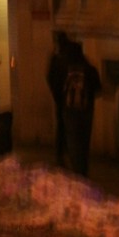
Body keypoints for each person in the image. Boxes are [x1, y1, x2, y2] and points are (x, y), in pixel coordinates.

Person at [60, 41, 102, 177]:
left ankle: (77, 170)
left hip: (70, 112)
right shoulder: (89, 68)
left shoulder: (65, 68)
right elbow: (98, 88)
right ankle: (83, 171)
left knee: (73, 142)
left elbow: (57, 86)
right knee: (84, 142)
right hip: (86, 111)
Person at [45, 31, 73, 168]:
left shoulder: (57, 58)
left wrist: (55, 92)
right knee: (65, 125)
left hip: (62, 97)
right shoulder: (64, 58)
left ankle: (61, 152)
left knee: (62, 126)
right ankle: (64, 152)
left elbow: (50, 77)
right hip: (65, 97)